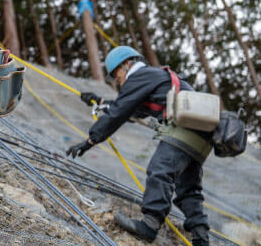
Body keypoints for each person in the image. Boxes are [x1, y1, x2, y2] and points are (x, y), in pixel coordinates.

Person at [67, 46, 212, 245]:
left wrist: (90, 141)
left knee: (160, 170)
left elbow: (120, 111)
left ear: (127, 64)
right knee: (188, 187)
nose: (116, 80)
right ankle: (201, 238)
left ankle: (150, 225)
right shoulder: (152, 77)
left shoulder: (139, 76)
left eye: (115, 74)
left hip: (184, 128)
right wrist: (99, 101)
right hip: (202, 132)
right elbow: (132, 110)